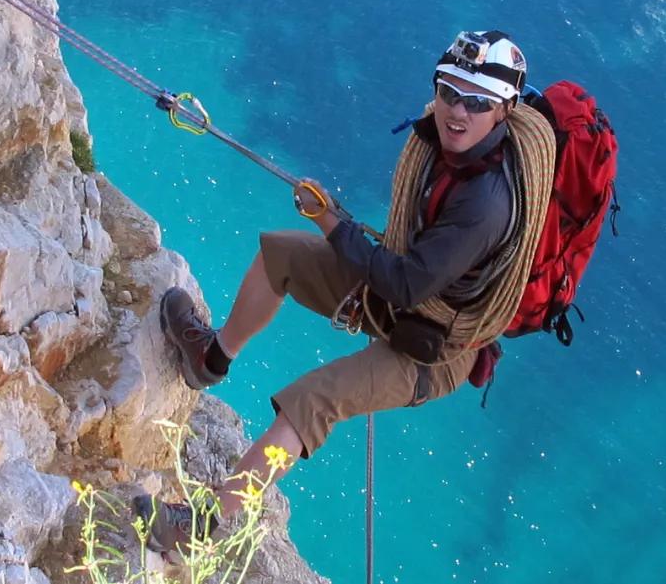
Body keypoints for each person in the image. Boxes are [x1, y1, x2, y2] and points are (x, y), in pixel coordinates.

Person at [134, 30, 530, 553]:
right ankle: (210, 357)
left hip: (435, 348)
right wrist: (334, 226)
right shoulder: (452, 147)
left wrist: (331, 223)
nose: (457, 111)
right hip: (400, 298)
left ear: (504, 111)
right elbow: (403, 274)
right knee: (281, 252)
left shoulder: (486, 203)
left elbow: (407, 284)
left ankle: (199, 528)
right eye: (449, 92)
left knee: (313, 400)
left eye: (476, 102)